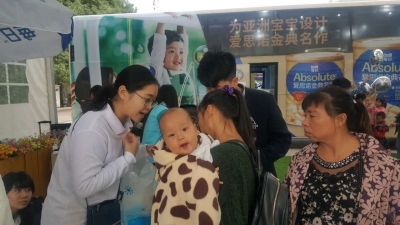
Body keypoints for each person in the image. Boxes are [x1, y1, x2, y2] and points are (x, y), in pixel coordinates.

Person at [41, 65, 159, 225]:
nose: (149, 107)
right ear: (123, 92)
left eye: (152, 101)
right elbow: (84, 186)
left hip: (100, 213)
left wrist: (146, 150)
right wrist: (128, 158)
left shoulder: (121, 124)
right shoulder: (92, 129)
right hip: (71, 218)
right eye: (146, 99)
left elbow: (111, 159)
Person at [284, 85, 400, 224]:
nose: (305, 122)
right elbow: (286, 210)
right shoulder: (300, 161)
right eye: (305, 115)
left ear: (340, 119)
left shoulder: (384, 167)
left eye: (312, 116)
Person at [197, 49, 291, 175]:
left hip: (259, 177)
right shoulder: (209, 107)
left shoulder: (263, 101)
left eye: (217, 88)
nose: (213, 93)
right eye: (209, 88)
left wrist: (255, 159)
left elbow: (283, 140)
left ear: (234, 82)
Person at [197, 86, 257, 225]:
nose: (199, 126)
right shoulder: (242, 148)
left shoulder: (221, 155)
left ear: (209, 111)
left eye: (198, 118)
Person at [150, 108, 221, 224]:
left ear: (194, 127)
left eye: (184, 129)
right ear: (165, 141)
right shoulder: (167, 163)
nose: (180, 137)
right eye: (171, 135)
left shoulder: (207, 144)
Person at [148, 13, 196, 105]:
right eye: (172, 51)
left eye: (181, 52)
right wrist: (162, 21)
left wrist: (182, 21)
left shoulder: (182, 70)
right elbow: (158, 48)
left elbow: (183, 44)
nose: (178, 57)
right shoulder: (160, 74)